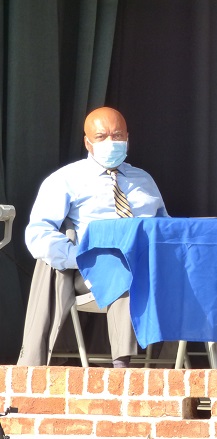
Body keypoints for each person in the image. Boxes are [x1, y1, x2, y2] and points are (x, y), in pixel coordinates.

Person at [18, 107, 168, 368]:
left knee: (210, 269)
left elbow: (167, 229)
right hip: (90, 270)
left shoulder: (143, 180)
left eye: (117, 135)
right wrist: (80, 257)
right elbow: (38, 233)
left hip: (150, 265)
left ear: (128, 138)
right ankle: (123, 370)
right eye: (101, 137)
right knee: (126, 268)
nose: (111, 142)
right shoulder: (65, 180)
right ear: (87, 142)